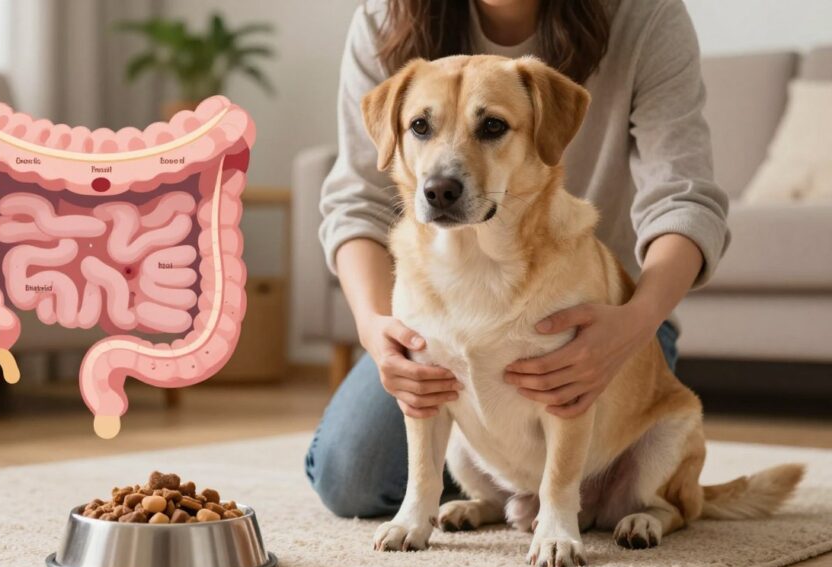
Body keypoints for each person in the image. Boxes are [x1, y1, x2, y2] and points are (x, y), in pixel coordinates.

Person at [305, 0, 731, 518]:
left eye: (490, 129)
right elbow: (357, 200)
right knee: (350, 478)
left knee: (593, 425)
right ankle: (502, 486)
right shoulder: (385, 15)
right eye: (422, 128)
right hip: (441, 311)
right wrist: (375, 329)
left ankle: (553, 490)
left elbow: (683, 200)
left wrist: (633, 325)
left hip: (602, 318)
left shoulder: (646, 15)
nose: (444, 178)